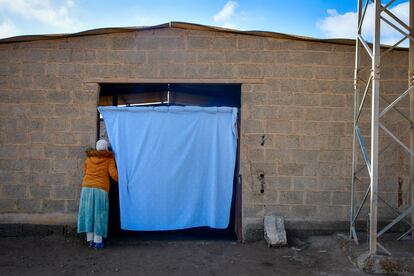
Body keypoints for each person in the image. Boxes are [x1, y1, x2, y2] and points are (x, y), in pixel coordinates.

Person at [77, 139, 118, 249]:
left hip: (86, 188)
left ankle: (90, 240)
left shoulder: (88, 159)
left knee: (88, 213)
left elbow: (85, 172)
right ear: (106, 148)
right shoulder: (108, 159)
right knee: (99, 214)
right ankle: (98, 241)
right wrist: (125, 182)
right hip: (100, 189)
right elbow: (113, 174)